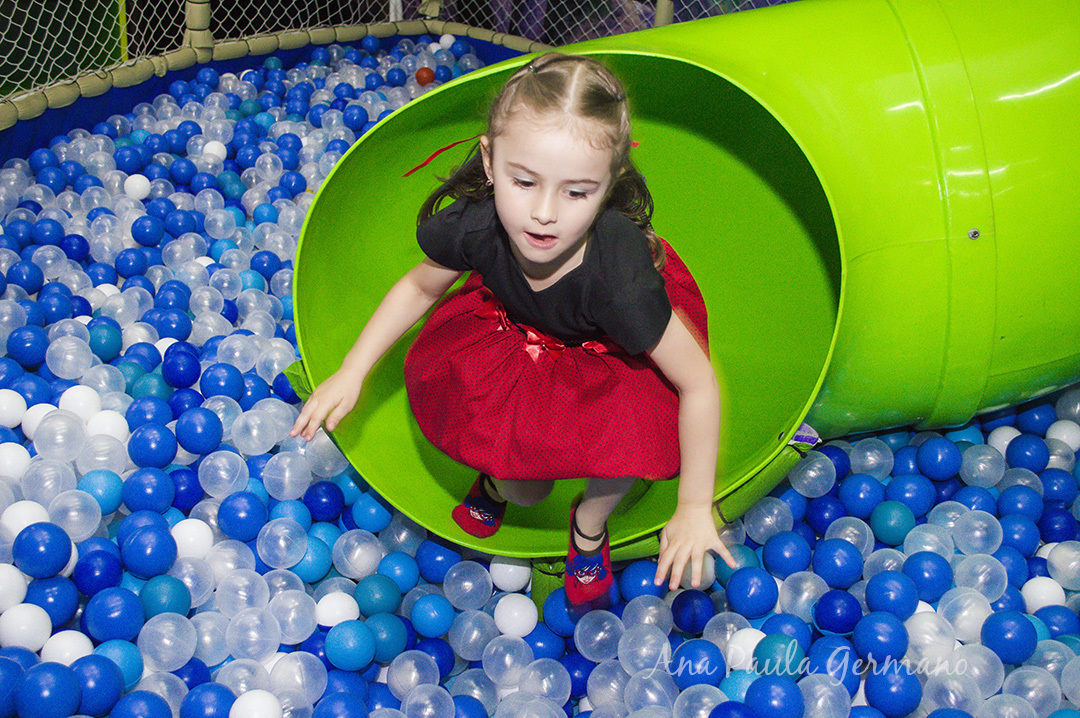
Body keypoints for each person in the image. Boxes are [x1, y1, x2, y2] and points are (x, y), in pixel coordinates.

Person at [291, 52, 736, 604]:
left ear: (610, 183)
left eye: (577, 192)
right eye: (523, 181)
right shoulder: (480, 223)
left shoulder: (620, 283)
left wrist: (694, 505)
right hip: (514, 343)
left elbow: (697, 383)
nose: (544, 213)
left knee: (629, 451)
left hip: (608, 360)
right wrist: (352, 371)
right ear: (489, 157)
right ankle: (499, 485)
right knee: (527, 488)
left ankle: (588, 528)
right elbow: (419, 287)